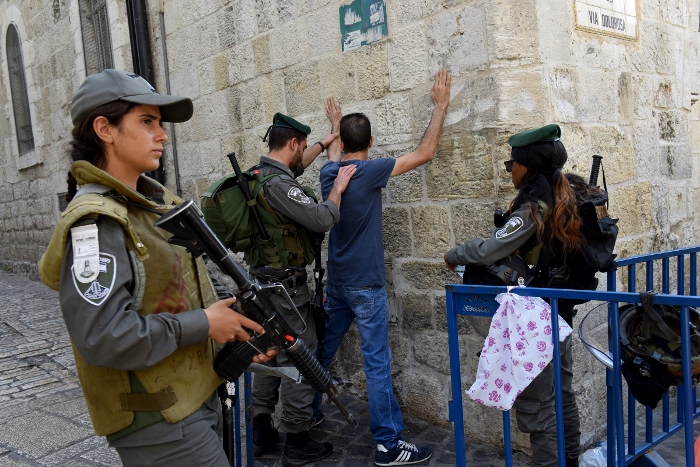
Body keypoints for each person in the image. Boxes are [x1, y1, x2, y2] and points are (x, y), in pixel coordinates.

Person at [37, 69, 276, 467]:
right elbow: (103, 337)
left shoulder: (152, 202)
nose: (162, 134)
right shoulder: (95, 224)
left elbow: (177, 294)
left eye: (159, 124)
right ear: (104, 129)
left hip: (194, 393)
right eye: (146, 122)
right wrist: (204, 324)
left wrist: (229, 330)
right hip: (158, 417)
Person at [314, 69, 452, 466]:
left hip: (338, 282)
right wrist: (439, 106)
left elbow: (333, 157)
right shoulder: (370, 171)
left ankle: (303, 414)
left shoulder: (329, 175)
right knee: (377, 362)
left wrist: (333, 131)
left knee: (323, 350)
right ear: (371, 142)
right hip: (366, 286)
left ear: (343, 140)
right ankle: (388, 444)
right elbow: (424, 153)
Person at [443, 124, 582, 467]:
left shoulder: (534, 209)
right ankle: (572, 460)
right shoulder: (567, 196)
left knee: (538, 409)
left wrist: (455, 254)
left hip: (536, 317)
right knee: (561, 395)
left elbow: (490, 250)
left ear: (528, 166)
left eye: (511, 165)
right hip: (559, 310)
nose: (510, 171)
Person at [245, 112, 356, 466]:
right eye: (303, 147)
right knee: (300, 358)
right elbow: (322, 218)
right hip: (287, 292)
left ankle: (260, 429)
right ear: (292, 143)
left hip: (261, 284)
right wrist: (337, 190)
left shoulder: (257, 176)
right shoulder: (280, 186)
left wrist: (326, 141)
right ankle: (297, 439)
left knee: (267, 351)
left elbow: (295, 173)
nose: (303, 154)